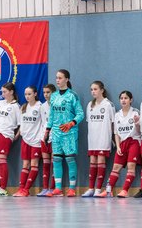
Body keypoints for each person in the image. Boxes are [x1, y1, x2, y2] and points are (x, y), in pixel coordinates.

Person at [44, 69, 84, 197]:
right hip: (56, 132)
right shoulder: (54, 96)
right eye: (56, 78)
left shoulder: (73, 95)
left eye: (60, 78)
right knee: (56, 159)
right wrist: (47, 130)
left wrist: (71, 123)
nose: (57, 80)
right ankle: (58, 188)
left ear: (67, 79)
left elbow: (80, 113)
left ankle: (72, 188)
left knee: (70, 159)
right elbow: (51, 115)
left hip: (69, 133)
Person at [97, 91, 141, 198]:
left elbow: (140, 132)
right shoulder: (117, 114)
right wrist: (118, 146)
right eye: (121, 98)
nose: (123, 100)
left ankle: (125, 190)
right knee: (116, 167)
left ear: (131, 100)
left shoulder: (136, 112)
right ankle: (109, 191)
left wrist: (137, 124)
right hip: (122, 143)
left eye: (126, 98)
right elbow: (116, 133)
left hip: (134, 141)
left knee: (131, 166)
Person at [81, 81, 115, 197]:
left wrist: (113, 138)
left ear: (102, 90)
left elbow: (113, 123)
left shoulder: (108, 104)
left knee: (101, 161)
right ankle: (91, 188)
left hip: (103, 138)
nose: (93, 92)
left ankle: (98, 189)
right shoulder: (90, 105)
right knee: (93, 162)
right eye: (91, 89)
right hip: (93, 139)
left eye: (95, 89)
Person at [13, 86, 43, 197]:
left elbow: (44, 123)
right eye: (25, 94)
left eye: (29, 94)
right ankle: (21, 189)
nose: (27, 96)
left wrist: (42, 137)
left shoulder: (40, 107)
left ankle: (26, 189)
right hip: (25, 140)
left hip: (36, 141)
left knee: (34, 164)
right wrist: (17, 135)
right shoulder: (23, 107)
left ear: (35, 94)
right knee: (25, 164)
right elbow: (22, 125)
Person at [36, 84, 56, 197]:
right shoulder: (42, 106)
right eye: (44, 92)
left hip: (55, 138)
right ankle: (45, 188)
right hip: (44, 138)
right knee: (46, 164)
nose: (46, 95)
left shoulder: (57, 105)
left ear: (53, 93)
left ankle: (53, 188)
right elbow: (43, 123)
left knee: (55, 164)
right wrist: (43, 136)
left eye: (48, 92)